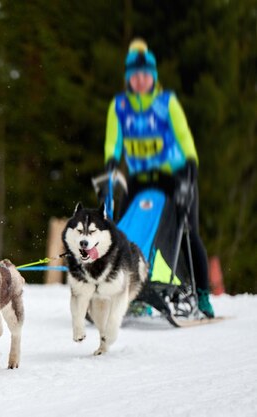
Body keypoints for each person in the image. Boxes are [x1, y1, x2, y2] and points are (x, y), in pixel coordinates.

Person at [103, 38, 214, 318]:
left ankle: (201, 294)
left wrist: (190, 168)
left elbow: (185, 136)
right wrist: (111, 167)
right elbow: (113, 143)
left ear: (152, 77)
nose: (140, 81)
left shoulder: (167, 102)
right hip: (140, 177)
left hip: (175, 174)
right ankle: (129, 286)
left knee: (188, 230)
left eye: (145, 76)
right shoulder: (119, 106)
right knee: (125, 228)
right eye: (135, 76)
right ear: (129, 79)